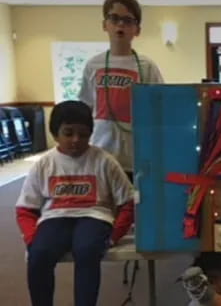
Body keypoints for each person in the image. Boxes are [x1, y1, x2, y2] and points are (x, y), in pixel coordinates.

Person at [15, 100, 135, 306]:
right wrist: (32, 238)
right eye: (68, 133)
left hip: (95, 216)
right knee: (39, 255)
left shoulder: (105, 161)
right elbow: (25, 208)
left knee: (87, 250)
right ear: (55, 134)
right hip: (55, 217)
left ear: (91, 134)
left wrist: (115, 235)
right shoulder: (44, 163)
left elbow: (128, 202)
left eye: (83, 134)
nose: (76, 140)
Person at [79, 0, 164, 178]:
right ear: (105, 25)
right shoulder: (94, 65)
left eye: (127, 20)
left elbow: (159, 109)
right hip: (101, 151)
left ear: (137, 29)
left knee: (134, 205)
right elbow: (85, 107)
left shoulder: (146, 66)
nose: (120, 25)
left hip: (136, 156)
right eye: (114, 18)